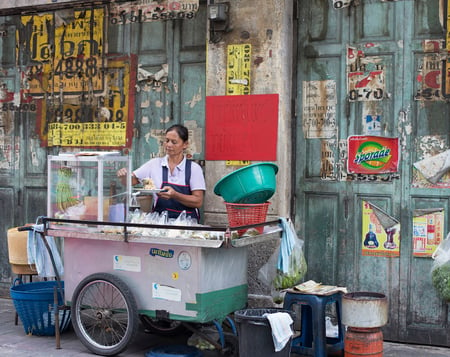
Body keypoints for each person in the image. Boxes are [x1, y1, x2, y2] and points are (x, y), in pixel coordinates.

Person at [117, 124, 205, 222]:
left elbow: (198, 201)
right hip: (159, 223)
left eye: (174, 142)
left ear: (185, 144)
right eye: (167, 141)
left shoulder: (194, 169)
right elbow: (131, 181)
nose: (169, 145)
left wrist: (175, 195)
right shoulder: (154, 164)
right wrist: (124, 176)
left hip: (186, 225)